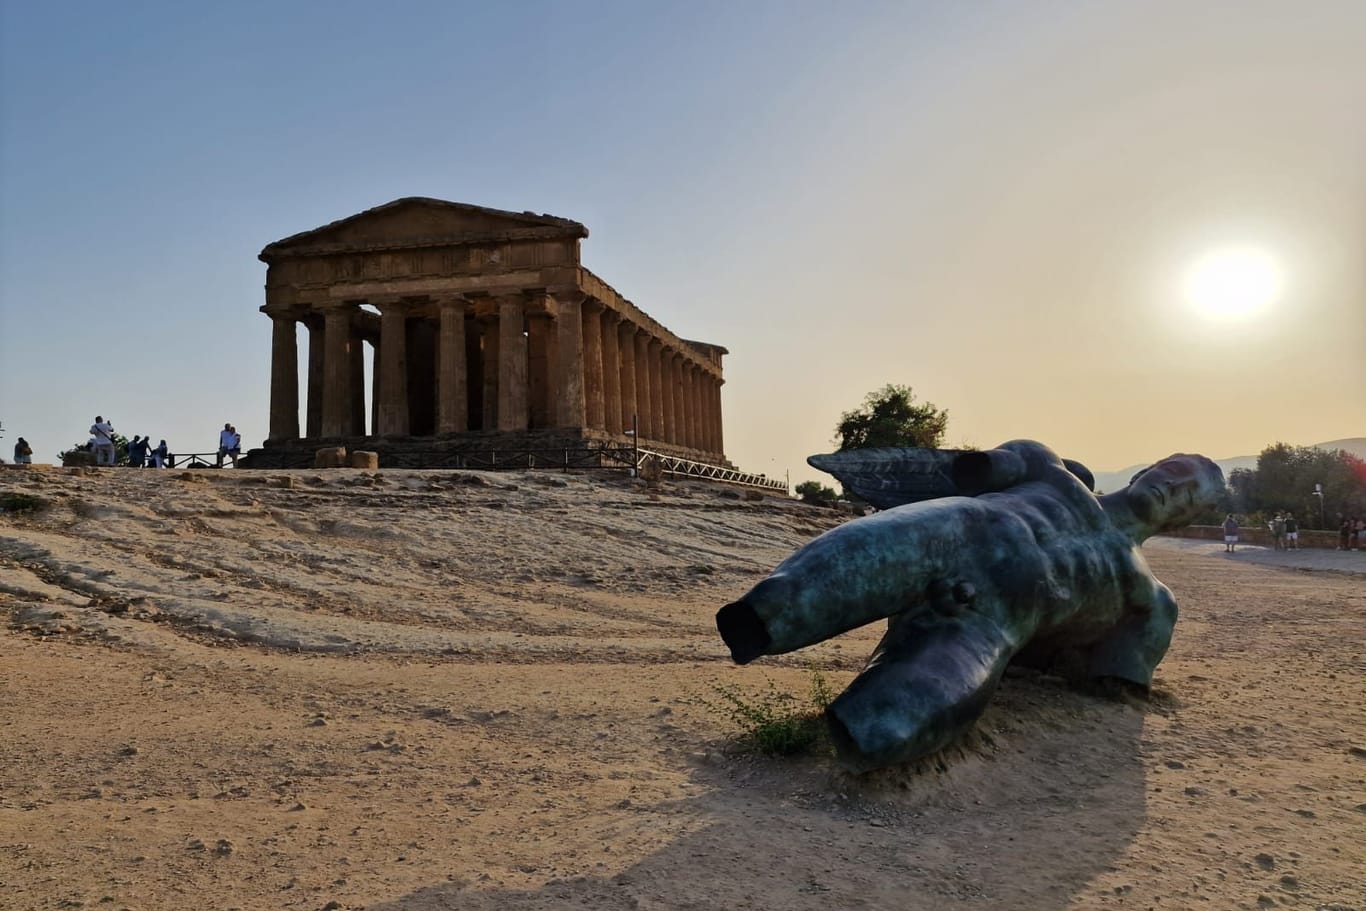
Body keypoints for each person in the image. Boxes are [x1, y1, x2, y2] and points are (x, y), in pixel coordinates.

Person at [717, 439, 1225, 772]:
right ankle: (759, 624)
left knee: (893, 720)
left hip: (988, 623)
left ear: (1190, 517)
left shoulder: (1148, 597)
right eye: (1174, 471)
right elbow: (970, 470)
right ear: (1152, 467)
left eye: (1188, 494)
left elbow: (1111, 680)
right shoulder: (1051, 471)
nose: (1172, 487)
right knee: (797, 592)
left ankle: (850, 740)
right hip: (948, 532)